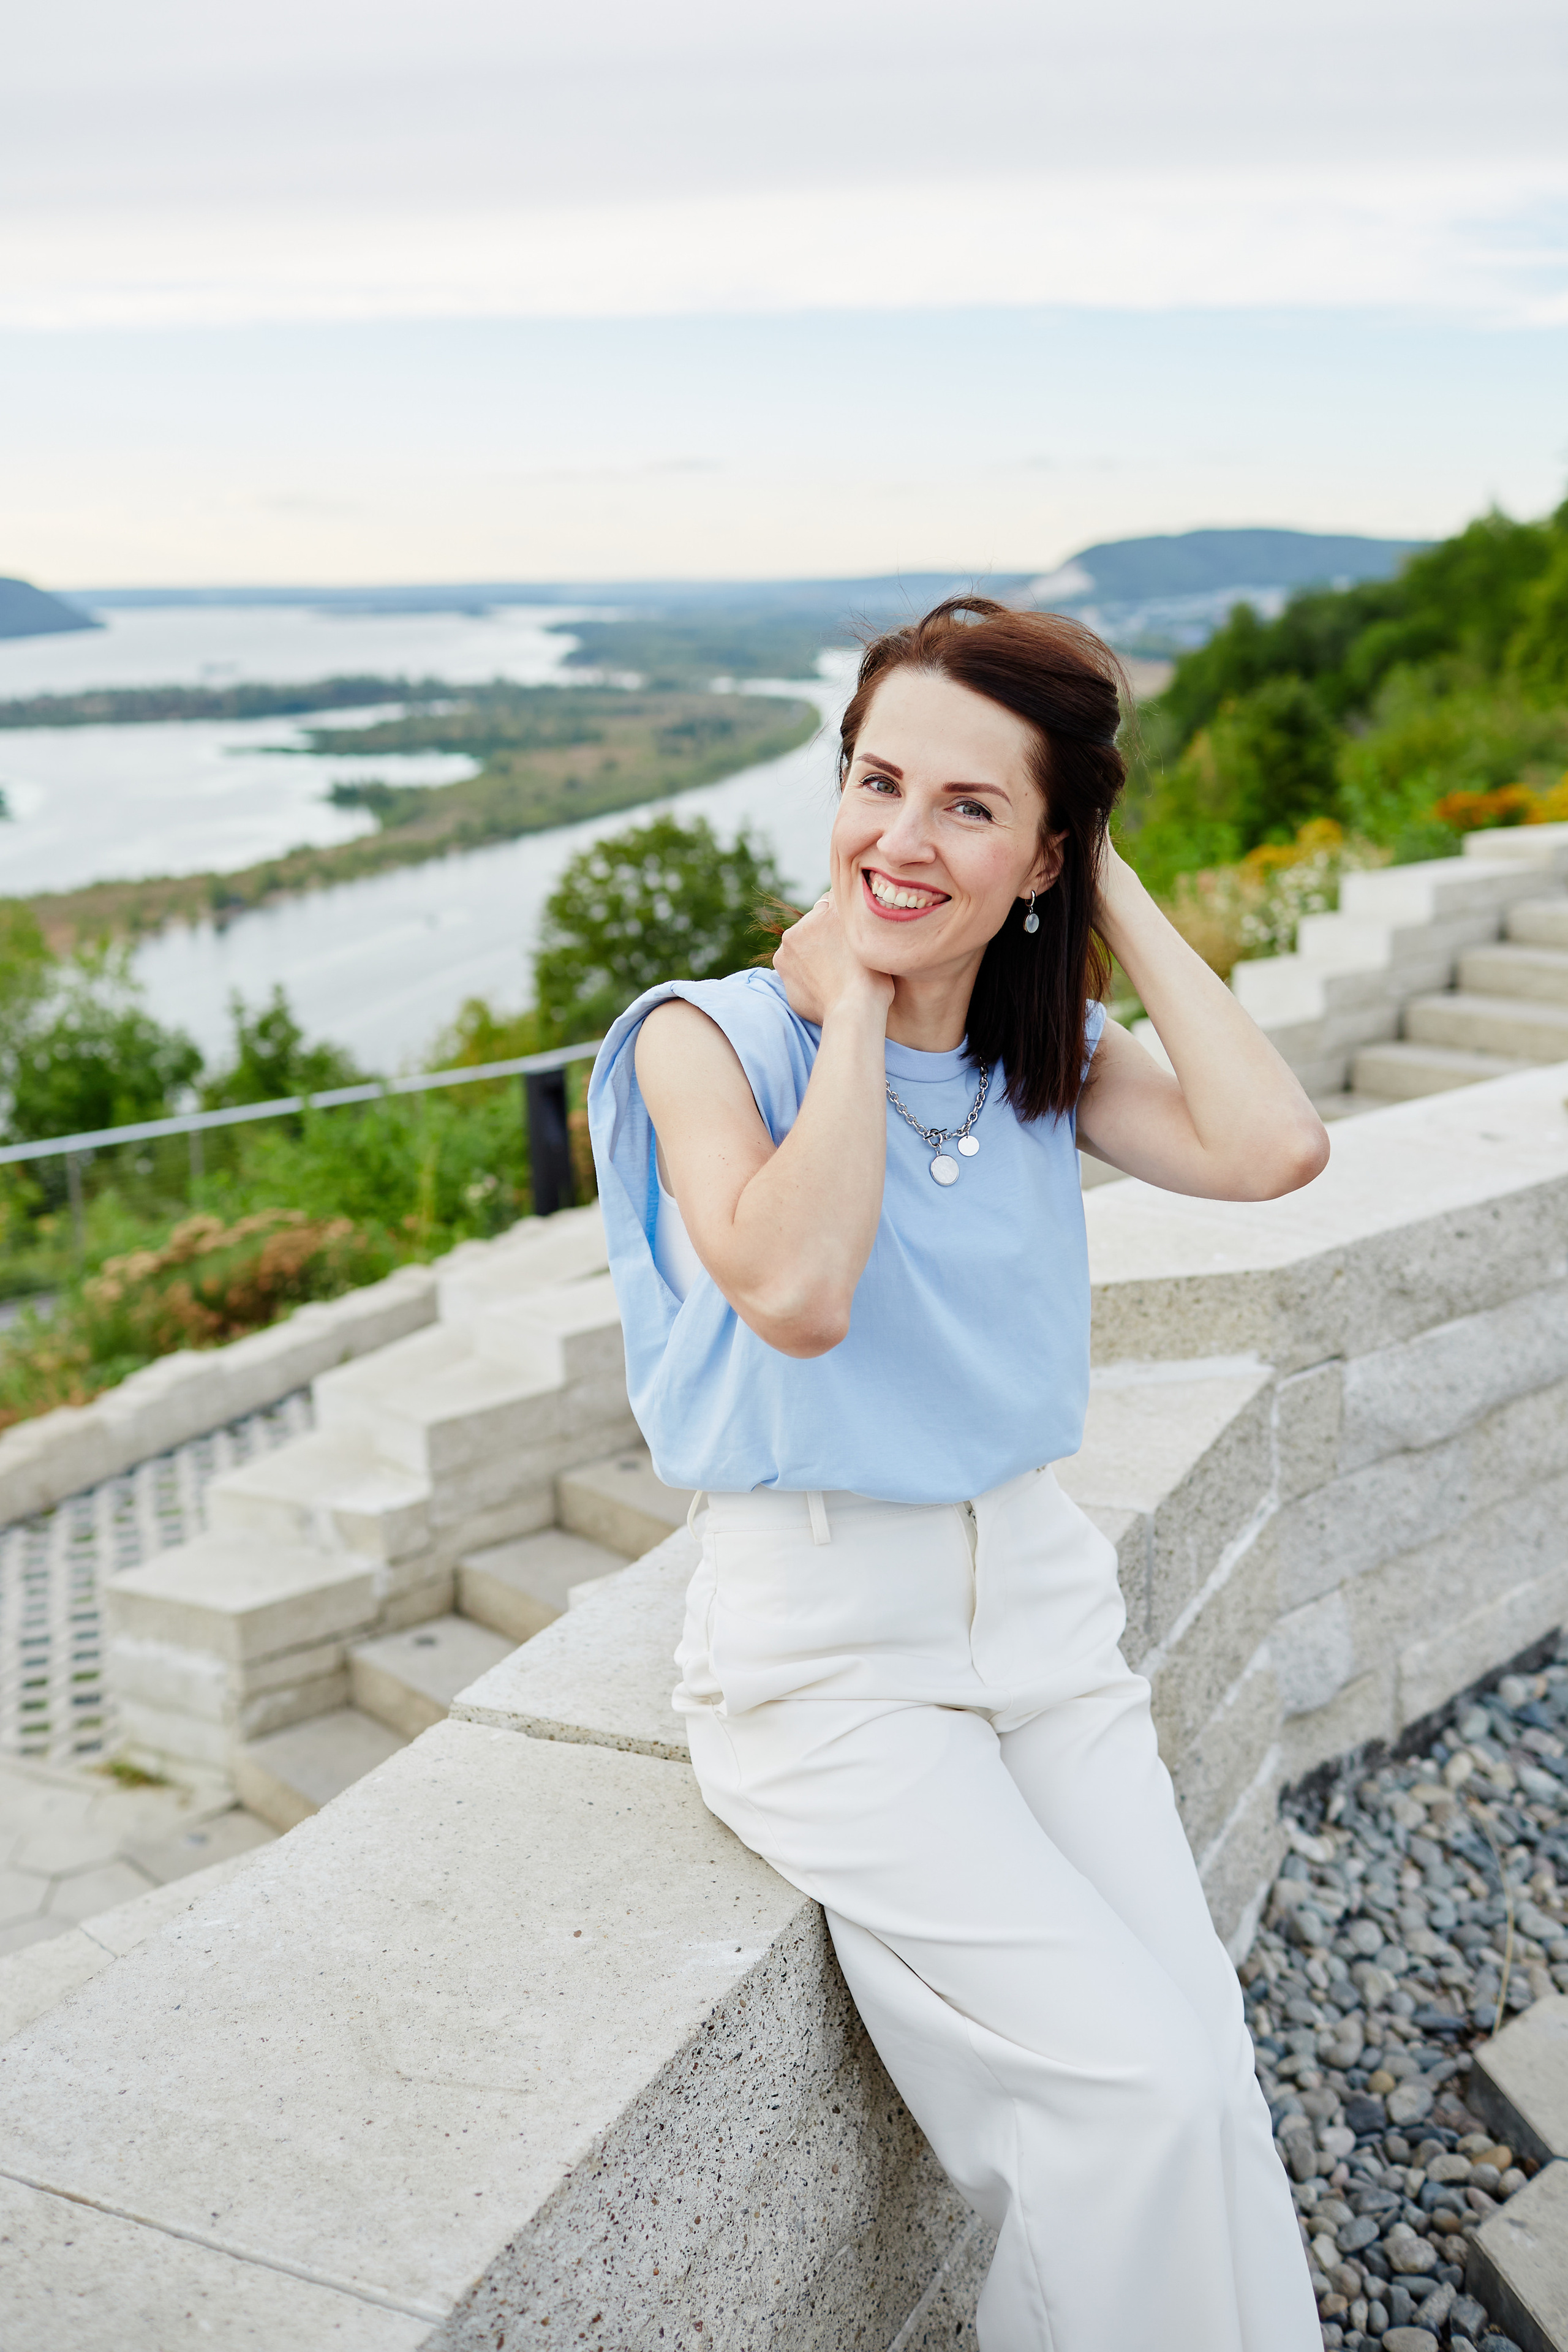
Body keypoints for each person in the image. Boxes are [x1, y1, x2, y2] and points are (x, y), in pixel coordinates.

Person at [587, 597, 1328, 2350]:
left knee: (1203, 2077)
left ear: (1044, 851)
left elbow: (1272, 1146)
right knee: (1131, 2102)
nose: (900, 840)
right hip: (833, 1662)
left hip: (1046, 1623)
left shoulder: (1036, 1055)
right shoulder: (709, 1040)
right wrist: (853, 1008)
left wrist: (1101, 893)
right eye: (875, 781)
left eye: (971, 810)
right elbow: (798, 1291)